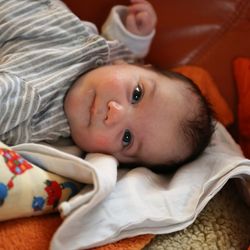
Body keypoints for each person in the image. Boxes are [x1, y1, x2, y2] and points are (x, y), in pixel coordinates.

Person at [0, 0, 214, 170]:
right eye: (137, 95)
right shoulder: (111, 58)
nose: (115, 112)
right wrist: (134, 36)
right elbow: (126, 52)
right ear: (135, 65)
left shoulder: (29, 106)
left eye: (127, 138)